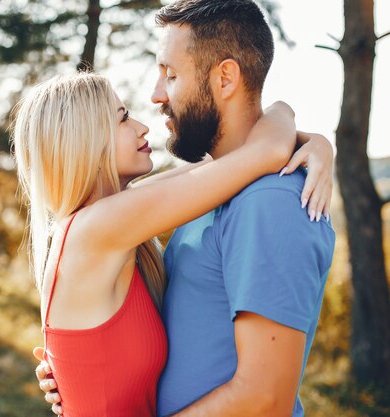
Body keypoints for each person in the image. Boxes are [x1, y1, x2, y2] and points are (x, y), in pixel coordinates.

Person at [34, 1, 336, 417]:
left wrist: (311, 139)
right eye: (123, 118)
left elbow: (266, 398)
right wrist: (304, 133)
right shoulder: (113, 222)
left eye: (171, 75)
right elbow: (263, 150)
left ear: (225, 77)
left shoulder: (266, 202)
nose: (154, 101)